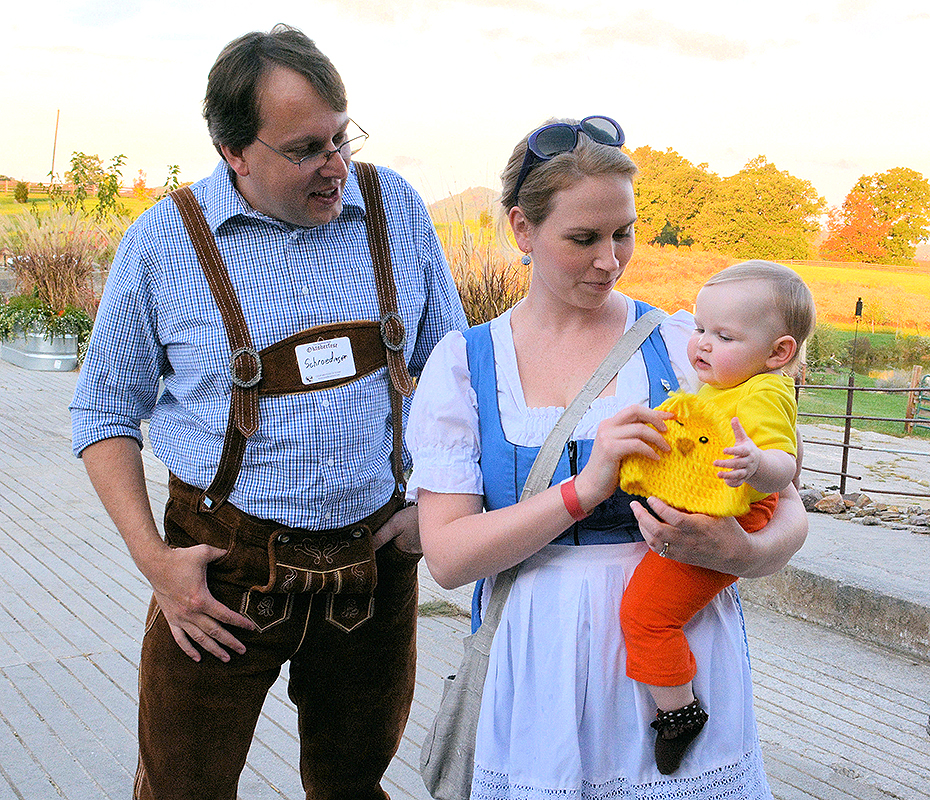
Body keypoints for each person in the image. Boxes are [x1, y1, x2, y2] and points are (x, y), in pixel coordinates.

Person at [69, 24, 466, 800]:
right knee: (183, 789)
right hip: (216, 577)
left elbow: (452, 380)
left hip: (375, 570)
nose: (335, 168)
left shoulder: (394, 210)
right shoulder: (163, 241)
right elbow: (104, 410)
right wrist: (154, 563)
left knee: (354, 788)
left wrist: (433, 508)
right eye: (305, 149)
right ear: (234, 152)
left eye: (341, 137)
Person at [406, 116, 808, 798]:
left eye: (623, 233)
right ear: (522, 230)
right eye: (583, 239)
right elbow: (447, 560)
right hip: (540, 664)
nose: (609, 260)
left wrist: (741, 555)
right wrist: (586, 487)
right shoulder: (466, 365)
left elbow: (788, 509)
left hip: (680, 658)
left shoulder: (687, 346)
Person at [619, 260, 816, 774]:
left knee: (647, 613)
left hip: (738, 519)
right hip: (712, 510)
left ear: (779, 352)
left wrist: (758, 463)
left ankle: (679, 712)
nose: (702, 343)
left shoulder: (765, 390)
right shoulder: (722, 385)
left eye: (723, 335)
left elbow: (783, 464)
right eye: (701, 329)